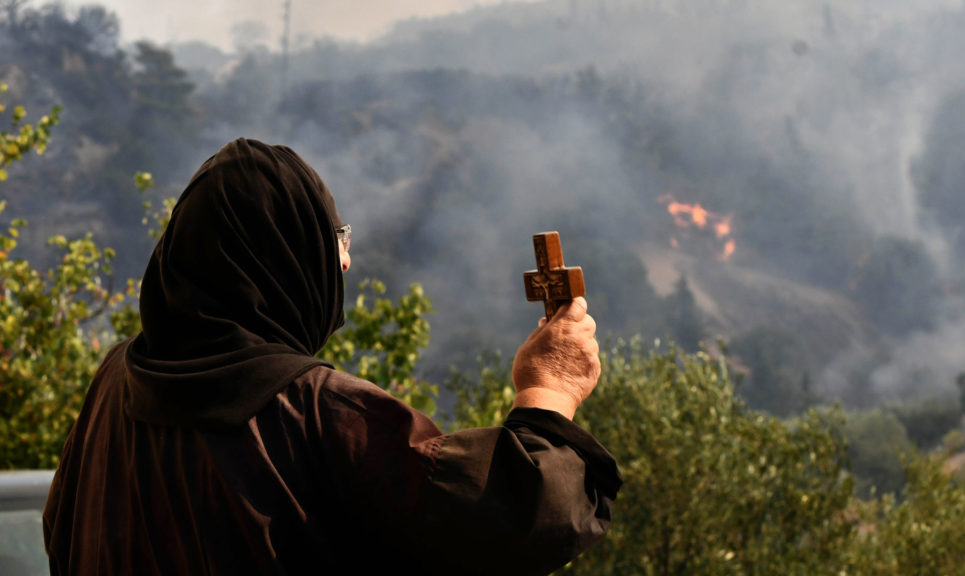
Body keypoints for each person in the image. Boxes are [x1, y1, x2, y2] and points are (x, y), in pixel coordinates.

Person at [42, 138, 621, 575]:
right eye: (333, 238)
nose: (343, 263)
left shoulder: (115, 383)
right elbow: (514, 516)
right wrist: (551, 386)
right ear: (282, 259)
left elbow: (60, 530)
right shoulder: (319, 412)